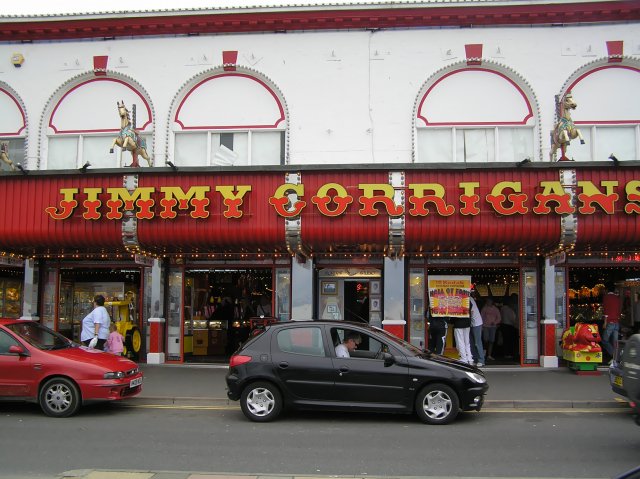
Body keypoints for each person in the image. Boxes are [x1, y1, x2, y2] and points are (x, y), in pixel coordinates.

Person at [601, 289, 621, 363]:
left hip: (610, 322)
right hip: (616, 322)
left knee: (604, 340)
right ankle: (616, 358)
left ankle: (614, 355)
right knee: (615, 342)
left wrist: (605, 322)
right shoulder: (617, 298)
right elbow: (619, 311)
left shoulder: (606, 297)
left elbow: (606, 311)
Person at [481, 297, 502, 361]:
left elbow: (499, 318)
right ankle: (484, 354)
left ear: (492, 302)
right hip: (485, 326)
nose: (489, 302)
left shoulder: (495, 309)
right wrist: (481, 326)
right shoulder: (484, 308)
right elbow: (481, 317)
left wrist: (495, 322)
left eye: (490, 301)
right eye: (487, 301)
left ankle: (489, 355)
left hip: (493, 327)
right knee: (485, 340)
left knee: (491, 341)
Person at [469, 294, 485, 367]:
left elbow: (471, 313)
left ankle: (481, 360)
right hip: (471, 323)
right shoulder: (469, 298)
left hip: (476, 323)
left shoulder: (469, 299)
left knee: (477, 342)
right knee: (471, 342)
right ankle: (475, 359)